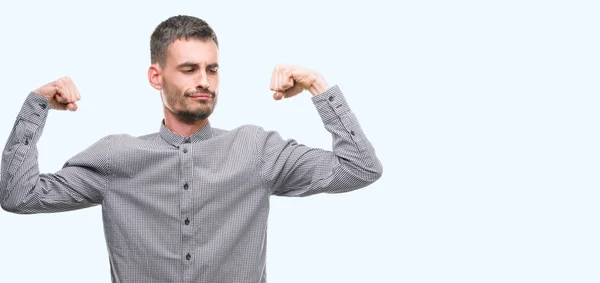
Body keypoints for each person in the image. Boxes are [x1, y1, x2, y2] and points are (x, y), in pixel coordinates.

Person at [0, 15, 383, 283]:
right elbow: (19, 196)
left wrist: (318, 86)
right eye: (189, 69)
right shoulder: (116, 157)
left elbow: (361, 168)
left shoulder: (256, 150)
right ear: (156, 76)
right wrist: (36, 105)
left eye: (212, 69)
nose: (204, 81)